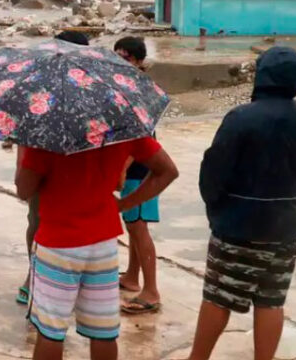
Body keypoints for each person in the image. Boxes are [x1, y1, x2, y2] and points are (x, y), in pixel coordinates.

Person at [184, 47, 296, 360]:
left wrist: (217, 208)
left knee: (218, 296)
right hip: (287, 227)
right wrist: (289, 200)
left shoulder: (240, 118)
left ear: (261, 76)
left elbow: (214, 170)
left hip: (239, 224)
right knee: (271, 300)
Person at [15, 134, 179, 360]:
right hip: (103, 244)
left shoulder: (47, 134)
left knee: (50, 331)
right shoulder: (119, 126)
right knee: (103, 332)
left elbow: (24, 190)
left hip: (58, 243)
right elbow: (168, 170)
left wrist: (24, 149)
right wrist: (123, 204)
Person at [16, 30, 90, 306]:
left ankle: (74, 279)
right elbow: (24, 129)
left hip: (80, 168)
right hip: (42, 167)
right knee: (36, 222)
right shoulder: (38, 83)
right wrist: (21, 166)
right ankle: (33, 274)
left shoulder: (91, 87)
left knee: (75, 227)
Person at [112, 36, 163, 315]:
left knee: (140, 228)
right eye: (117, 56)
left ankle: (151, 290)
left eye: (127, 57)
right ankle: (132, 277)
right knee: (133, 226)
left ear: (139, 61)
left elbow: (142, 138)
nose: (121, 61)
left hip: (141, 170)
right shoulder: (126, 89)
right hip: (133, 168)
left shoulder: (140, 93)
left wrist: (122, 166)